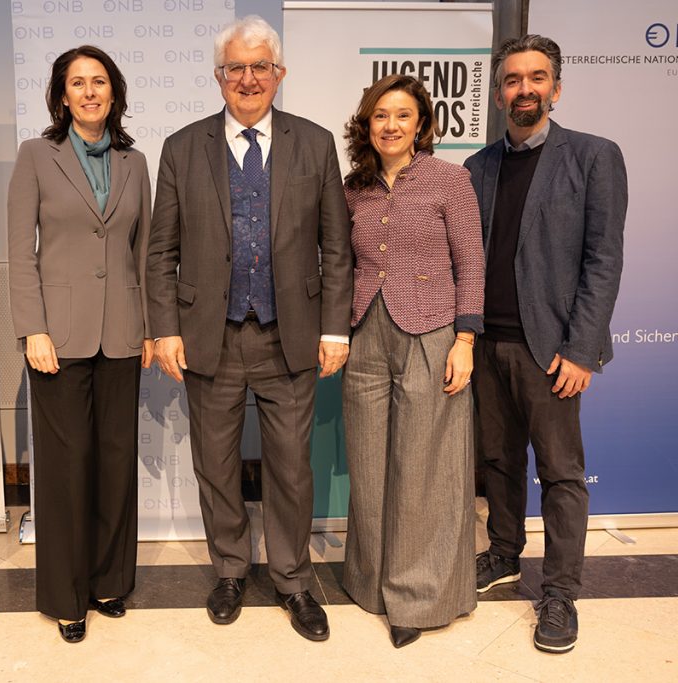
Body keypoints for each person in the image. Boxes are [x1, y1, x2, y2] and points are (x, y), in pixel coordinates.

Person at [146, 15, 352, 642]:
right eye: (235, 68)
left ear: (279, 74)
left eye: (260, 66)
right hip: (211, 334)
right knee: (216, 464)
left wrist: (336, 330)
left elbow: (335, 248)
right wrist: (165, 329)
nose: (248, 79)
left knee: (292, 468)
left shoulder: (315, 143)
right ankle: (231, 569)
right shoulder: (182, 147)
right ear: (218, 77)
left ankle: (292, 579)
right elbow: (161, 252)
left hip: (290, 336)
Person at [464, 34, 627, 654]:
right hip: (486, 347)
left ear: (555, 88)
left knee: (560, 474)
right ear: (500, 91)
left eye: (537, 78)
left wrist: (583, 349)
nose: (524, 89)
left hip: (552, 349)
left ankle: (559, 592)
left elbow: (603, 259)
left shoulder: (593, 157)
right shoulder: (478, 167)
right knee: (499, 462)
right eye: (512, 79)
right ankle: (504, 553)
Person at [7, 45, 153, 644]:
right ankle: (67, 596)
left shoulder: (136, 161)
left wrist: (148, 326)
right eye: (77, 83)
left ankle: (109, 581)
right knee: (67, 469)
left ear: (113, 93)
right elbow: (20, 250)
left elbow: (143, 252)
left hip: (121, 332)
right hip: (58, 337)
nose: (89, 92)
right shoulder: (37, 156)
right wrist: (31, 328)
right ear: (61, 96)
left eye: (99, 82)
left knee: (116, 463)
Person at [340, 75, 484, 649]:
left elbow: (471, 262)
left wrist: (465, 340)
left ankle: (418, 598)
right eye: (380, 116)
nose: (391, 126)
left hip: (431, 332)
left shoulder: (452, 180)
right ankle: (371, 583)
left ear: (422, 124)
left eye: (402, 115)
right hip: (363, 335)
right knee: (370, 465)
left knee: (424, 469)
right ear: (366, 125)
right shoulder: (355, 188)